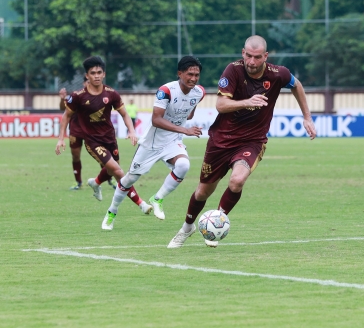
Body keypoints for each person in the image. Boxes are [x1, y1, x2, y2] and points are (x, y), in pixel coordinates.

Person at [167, 35, 317, 249]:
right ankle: (187, 227)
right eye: (248, 56)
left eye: (257, 57)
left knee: (237, 181)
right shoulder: (233, 70)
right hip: (221, 140)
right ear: (242, 53)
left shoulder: (277, 74)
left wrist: (307, 116)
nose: (252, 61)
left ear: (265, 56)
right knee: (202, 192)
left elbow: (296, 84)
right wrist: (248, 102)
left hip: (252, 141)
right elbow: (220, 105)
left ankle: (216, 223)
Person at [101, 56, 205, 230]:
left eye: (197, 75)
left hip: (172, 141)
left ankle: (157, 198)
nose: (194, 78)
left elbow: (190, 113)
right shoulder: (166, 91)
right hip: (152, 142)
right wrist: (185, 130)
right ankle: (112, 211)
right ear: (179, 73)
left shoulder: (199, 92)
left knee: (183, 165)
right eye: (190, 74)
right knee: (129, 179)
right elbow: (156, 120)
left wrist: (184, 123)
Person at [55, 56, 151, 219]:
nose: (96, 76)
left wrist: (132, 131)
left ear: (104, 74)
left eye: (99, 72)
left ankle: (95, 182)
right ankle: (141, 203)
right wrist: (60, 138)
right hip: (93, 141)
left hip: (109, 138)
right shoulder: (78, 96)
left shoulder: (111, 94)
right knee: (118, 171)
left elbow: (124, 114)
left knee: (111, 170)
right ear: (87, 76)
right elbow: (65, 116)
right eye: (93, 73)